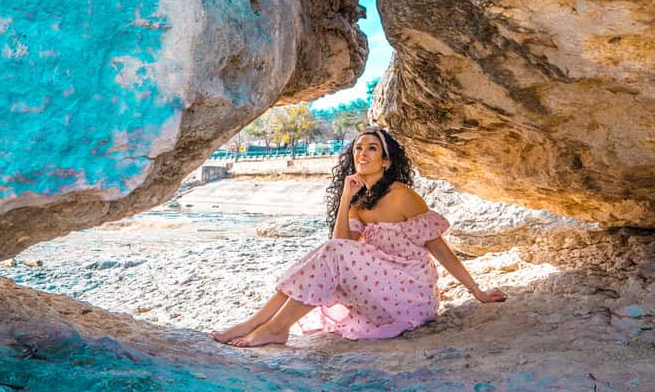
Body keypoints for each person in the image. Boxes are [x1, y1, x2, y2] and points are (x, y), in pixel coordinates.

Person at [212, 125, 507, 347]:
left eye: (371, 149)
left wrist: (476, 291)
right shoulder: (358, 200)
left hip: (411, 294)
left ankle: (275, 327)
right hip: (380, 290)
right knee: (326, 254)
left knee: (330, 253)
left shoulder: (402, 196)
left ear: (386, 161)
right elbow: (341, 244)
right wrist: (345, 198)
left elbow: (440, 250)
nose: (362, 153)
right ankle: (257, 322)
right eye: (357, 148)